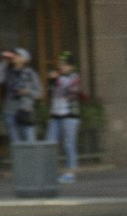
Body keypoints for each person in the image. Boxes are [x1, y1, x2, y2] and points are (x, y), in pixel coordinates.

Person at [0, 48, 42, 144]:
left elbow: (39, 94)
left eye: (18, 55)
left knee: (30, 142)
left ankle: (31, 160)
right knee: (15, 143)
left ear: (25, 59)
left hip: (25, 112)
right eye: (14, 54)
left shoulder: (31, 73)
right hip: (10, 111)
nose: (15, 56)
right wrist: (4, 62)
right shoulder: (8, 71)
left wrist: (27, 92)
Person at [46, 51, 82, 184]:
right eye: (61, 64)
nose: (62, 66)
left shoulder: (74, 77)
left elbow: (70, 94)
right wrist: (51, 81)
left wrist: (57, 80)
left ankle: (70, 173)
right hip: (55, 115)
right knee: (50, 143)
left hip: (70, 115)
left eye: (65, 64)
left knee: (69, 144)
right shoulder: (57, 78)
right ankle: (49, 172)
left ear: (71, 66)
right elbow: (51, 93)